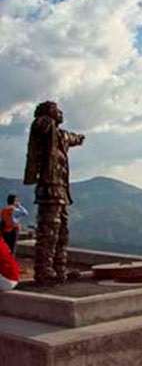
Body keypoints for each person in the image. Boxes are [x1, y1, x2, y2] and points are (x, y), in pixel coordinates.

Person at [24, 101, 85, 285]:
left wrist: (79, 138)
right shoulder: (44, 127)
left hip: (62, 192)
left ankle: (59, 268)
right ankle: (44, 270)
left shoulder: (61, 136)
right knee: (48, 232)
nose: (61, 112)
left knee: (62, 232)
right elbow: (40, 124)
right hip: (49, 189)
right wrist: (46, 114)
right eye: (56, 110)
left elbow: (73, 137)